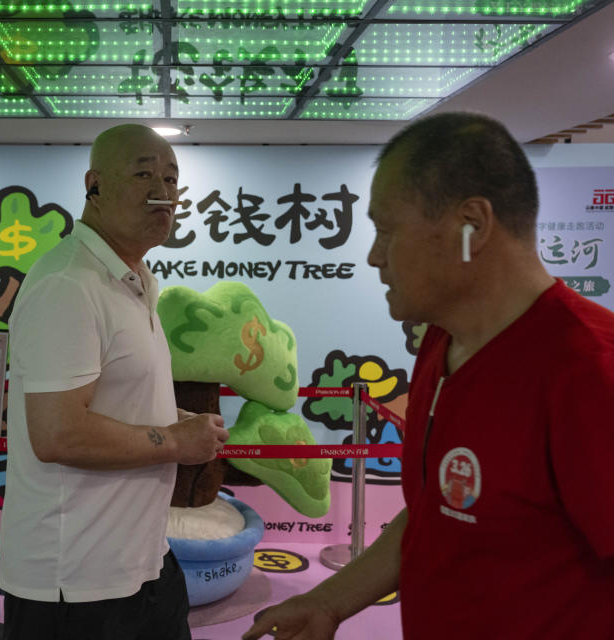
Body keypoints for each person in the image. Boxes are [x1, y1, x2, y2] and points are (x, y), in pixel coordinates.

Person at [243, 112, 614, 639]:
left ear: (471, 227)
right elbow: (432, 513)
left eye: (387, 231)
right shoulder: (441, 341)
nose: (374, 257)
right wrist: (328, 602)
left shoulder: (588, 370)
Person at [0, 124, 230, 639]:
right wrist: (173, 441)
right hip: (76, 583)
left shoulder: (136, 281)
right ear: (94, 185)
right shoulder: (67, 284)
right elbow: (58, 433)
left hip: (143, 561)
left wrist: (177, 421)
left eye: (172, 178)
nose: (163, 192)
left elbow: (112, 404)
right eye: (144, 173)